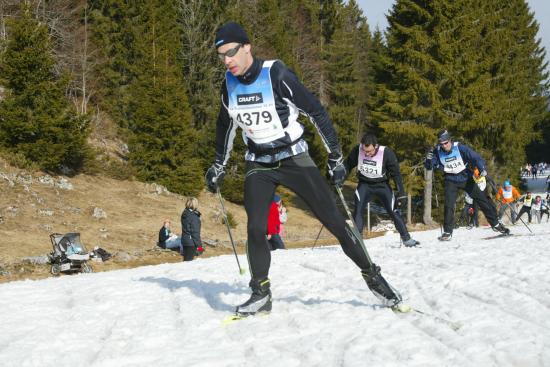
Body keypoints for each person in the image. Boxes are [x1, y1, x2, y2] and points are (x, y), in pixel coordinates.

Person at [205, 22, 402, 316]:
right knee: (257, 228)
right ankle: (260, 292)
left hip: (293, 159)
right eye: (221, 55)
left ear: (247, 47)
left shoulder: (276, 74)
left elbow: (316, 112)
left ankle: (374, 278)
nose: (227, 60)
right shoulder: (228, 85)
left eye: (231, 52)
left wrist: (335, 157)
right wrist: (219, 165)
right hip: (258, 162)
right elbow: (225, 126)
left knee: (335, 222)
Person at [425, 129, 509, 241]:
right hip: (450, 179)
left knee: (482, 200)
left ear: (450, 140)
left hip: (465, 178)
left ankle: (495, 224)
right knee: (449, 205)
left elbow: (475, 157)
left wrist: (481, 168)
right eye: (442, 144)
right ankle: (447, 232)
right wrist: (428, 159)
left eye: (446, 143)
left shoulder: (460, 148)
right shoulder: (437, 151)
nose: (444, 146)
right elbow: (430, 166)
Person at [343, 133, 419, 247]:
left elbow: (396, 174)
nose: (367, 154)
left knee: (393, 211)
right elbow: (348, 164)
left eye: (370, 151)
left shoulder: (386, 153)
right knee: (358, 210)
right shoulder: (358, 150)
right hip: (364, 184)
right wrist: (340, 177)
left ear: (376, 146)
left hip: (382, 186)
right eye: (365, 151)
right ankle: (358, 241)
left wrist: (401, 192)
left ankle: (406, 239)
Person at [180, 197, 204, 261]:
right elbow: (195, 233)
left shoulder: (185, 213)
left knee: (186, 261)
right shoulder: (193, 217)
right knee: (188, 263)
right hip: (191, 243)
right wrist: (200, 247)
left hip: (185, 241)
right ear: (194, 205)